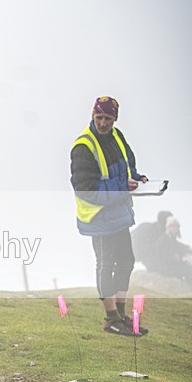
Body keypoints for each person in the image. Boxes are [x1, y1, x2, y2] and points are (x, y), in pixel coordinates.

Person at [70, 96, 149, 335]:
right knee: (105, 265)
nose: (103, 123)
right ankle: (111, 318)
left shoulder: (116, 136)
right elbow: (86, 189)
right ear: (92, 115)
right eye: (99, 117)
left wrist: (137, 177)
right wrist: (123, 185)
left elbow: (127, 163)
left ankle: (122, 316)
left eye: (108, 118)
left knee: (126, 262)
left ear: (115, 119)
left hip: (118, 213)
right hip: (98, 217)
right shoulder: (83, 146)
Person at [154, 217, 192, 290]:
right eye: (174, 226)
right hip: (167, 270)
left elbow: (182, 247)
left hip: (173, 268)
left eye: (177, 227)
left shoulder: (172, 240)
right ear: (169, 227)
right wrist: (181, 260)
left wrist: (190, 250)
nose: (176, 229)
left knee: (189, 272)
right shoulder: (163, 240)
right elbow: (164, 258)